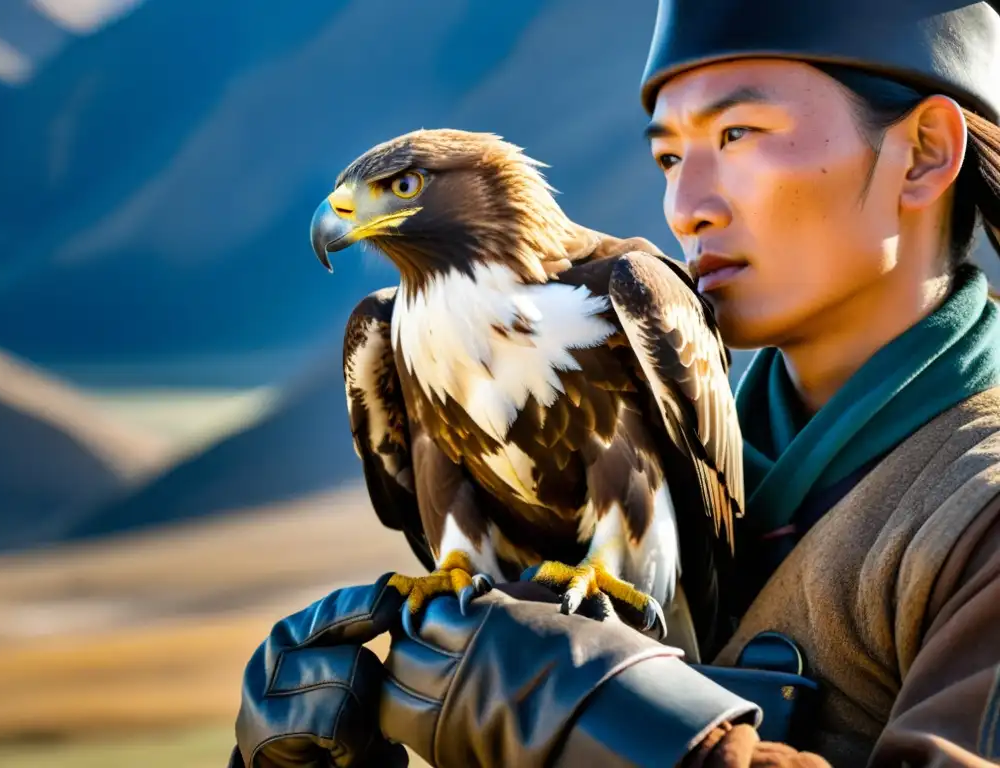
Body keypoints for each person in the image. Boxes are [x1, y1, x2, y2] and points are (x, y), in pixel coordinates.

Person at [228, 0, 1000, 765]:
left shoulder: (978, 506)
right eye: (668, 158)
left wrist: (644, 739)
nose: (686, 208)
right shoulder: (691, 433)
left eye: (738, 135)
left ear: (926, 151)